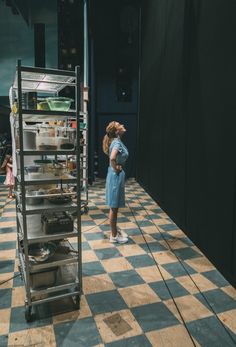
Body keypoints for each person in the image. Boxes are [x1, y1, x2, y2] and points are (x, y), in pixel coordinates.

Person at [103, 121, 129, 243]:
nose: (123, 125)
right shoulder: (117, 142)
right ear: (117, 131)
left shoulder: (116, 141)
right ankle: (114, 236)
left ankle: (115, 232)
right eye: (120, 125)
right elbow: (112, 158)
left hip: (114, 175)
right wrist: (116, 168)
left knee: (114, 206)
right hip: (115, 175)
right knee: (114, 207)